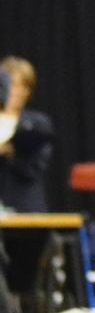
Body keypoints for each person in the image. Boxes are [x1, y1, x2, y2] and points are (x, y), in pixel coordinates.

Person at [0, 57, 53, 213]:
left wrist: (11, 152)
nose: (18, 92)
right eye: (13, 85)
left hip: (25, 208)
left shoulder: (38, 124)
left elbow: (36, 167)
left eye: (24, 86)